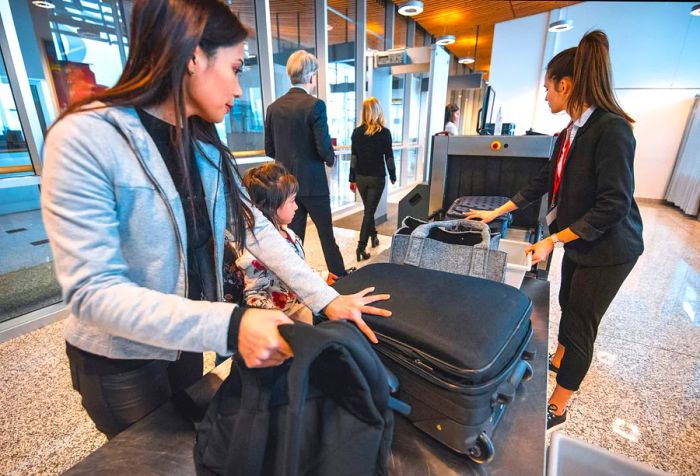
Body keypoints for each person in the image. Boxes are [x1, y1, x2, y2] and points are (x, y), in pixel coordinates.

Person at [41, 0, 390, 438]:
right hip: (121, 360)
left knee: (194, 447)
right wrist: (230, 324)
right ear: (193, 58)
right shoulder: (86, 137)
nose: (241, 89)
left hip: (184, 341)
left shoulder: (202, 142)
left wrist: (325, 299)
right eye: (237, 67)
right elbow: (92, 292)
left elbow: (256, 228)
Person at [466, 30, 643, 430]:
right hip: (582, 241)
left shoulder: (612, 130)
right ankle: (559, 358)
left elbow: (613, 205)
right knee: (566, 296)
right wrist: (495, 214)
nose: (545, 95)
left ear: (566, 85)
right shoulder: (568, 133)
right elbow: (543, 181)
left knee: (581, 320)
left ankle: (559, 406)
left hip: (612, 248)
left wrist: (553, 239)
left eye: (548, 88)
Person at [264, 50, 346, 277]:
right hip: (314, 184)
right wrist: (331, 157)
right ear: (310, 76)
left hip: (286, 186)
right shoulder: (315, 106)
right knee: (326, 236)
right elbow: (323, 148)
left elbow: (269, 149)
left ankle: (297, 281)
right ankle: (339, 278)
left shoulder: (273, 108)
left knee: (293, 237)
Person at [236, 163, 328, 325]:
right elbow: (255, 296)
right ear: (271, 206)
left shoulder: (289, 234)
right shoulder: (255, 255)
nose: (297, 207)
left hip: (301, 306)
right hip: (287, 322)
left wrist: (322, 276)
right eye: (292, 201)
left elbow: (296, 268)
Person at [349, 97, 396, 261]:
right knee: (369, 213)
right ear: (378, 111)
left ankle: (374, 237)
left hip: (361, 178)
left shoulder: (356, 132)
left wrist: (351, 178)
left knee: (369, 211)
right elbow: (389, 157)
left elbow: (353, 157)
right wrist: (393, 175)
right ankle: (361, 248)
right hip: (377, 178)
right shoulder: (384, 133)